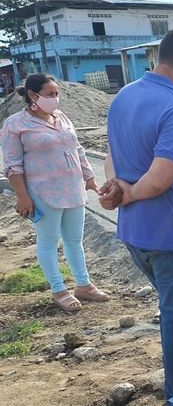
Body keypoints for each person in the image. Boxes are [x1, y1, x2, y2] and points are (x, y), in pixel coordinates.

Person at [99, 26, 173, 406]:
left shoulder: (125, 96)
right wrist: (129, 192)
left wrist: (116, 186)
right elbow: (162, 178)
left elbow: (112, 155)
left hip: (139, 235)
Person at [1, 73, 108, 312]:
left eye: (57, 93)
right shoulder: (15, 124)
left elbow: (77, 149)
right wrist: (22, 196)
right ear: (32, 95)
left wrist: (89, 177)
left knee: (74, 240)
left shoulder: (61, 117)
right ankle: (59, 290)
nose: (55, 98)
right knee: (49, 241)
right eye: (50, 94)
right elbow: (12, 165)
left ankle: (84, 285)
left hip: (73, 189)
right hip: (42, 192)